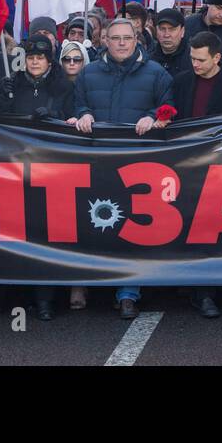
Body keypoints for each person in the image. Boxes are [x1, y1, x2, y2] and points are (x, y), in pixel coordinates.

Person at [71, 19, 173, 320]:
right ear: (104, 40)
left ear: (136, 39)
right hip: (96, 161)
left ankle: (128, 292)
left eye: (126, 38)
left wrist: (154, 116)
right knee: (92, 223)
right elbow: (77, 105)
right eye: (114, 38)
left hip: (137, 164)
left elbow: (169, 106)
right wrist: (83, 114)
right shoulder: (88, 73)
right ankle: (87, 283)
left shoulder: (156, 73)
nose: (121, 43)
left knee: (133, 228)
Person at [169, 32, 222, 319]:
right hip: (185, 165)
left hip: (221, 166)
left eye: (201, 59)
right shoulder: (180, 82)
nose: (195, 64)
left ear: (217, 57)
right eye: (192, 58)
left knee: (212, 228)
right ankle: (190, 285)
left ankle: (207, 291)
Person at [0, 34, 75, 120]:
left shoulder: (64, 86)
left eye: (40, 58)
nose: (34, 62)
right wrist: (4, 98)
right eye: (30, 58)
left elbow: (71, 118)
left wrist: (53, 114)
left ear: (49, 61)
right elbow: (0, 119)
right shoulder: (13, 83)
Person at [148, 8, 192, 78]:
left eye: (172, 29)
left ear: (182, 31)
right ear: (156, 30)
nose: (166, 35)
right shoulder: (148, 60)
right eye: (162, 29)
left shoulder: (193, 60)